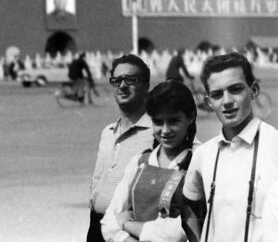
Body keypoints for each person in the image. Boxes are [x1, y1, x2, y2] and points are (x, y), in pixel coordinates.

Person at [182, 52, 278, 242]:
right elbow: (189, 206)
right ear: (209, 102)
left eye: (235, 89)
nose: (226, 101)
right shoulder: (203, 153)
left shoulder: (274, 144)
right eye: (217, 94)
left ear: (254, 90)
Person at [101, 80, 198, 242]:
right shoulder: (139, 162)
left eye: (173, 121)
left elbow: (183, 230)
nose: (165, 130)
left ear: (190, 117)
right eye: (158, 122)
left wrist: (127, 224)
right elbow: (109, 220)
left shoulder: (199, 161)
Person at [87, 54, 154, 242]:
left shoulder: (158, 133)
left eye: (131, 80)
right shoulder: (108, 132)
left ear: (146, 86)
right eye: (117, 81)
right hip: (95, 226)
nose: (122, 86)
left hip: (127, 229)